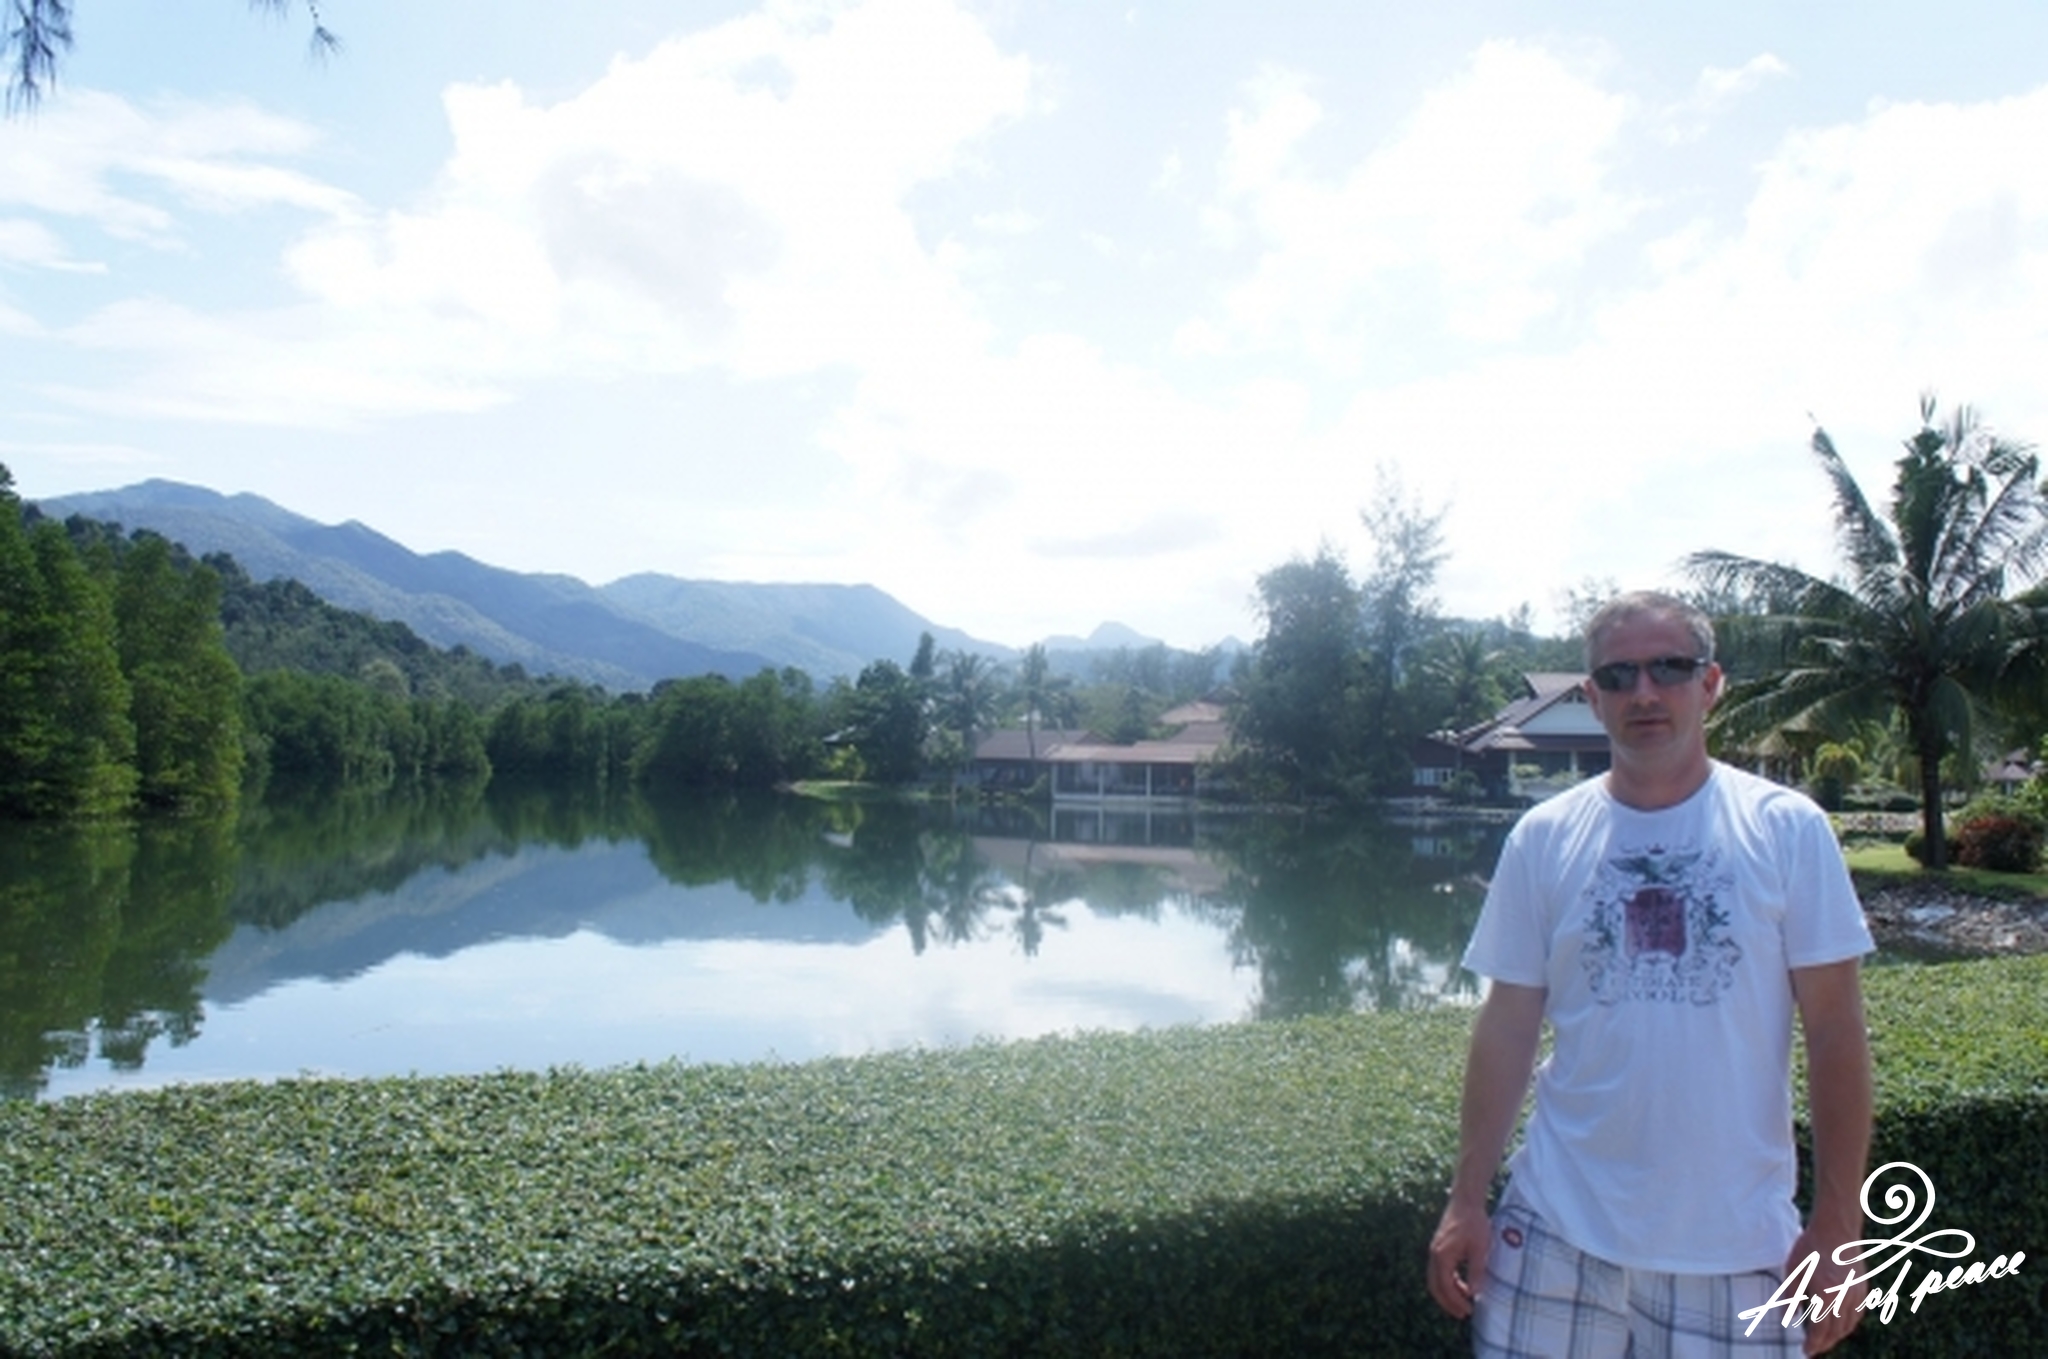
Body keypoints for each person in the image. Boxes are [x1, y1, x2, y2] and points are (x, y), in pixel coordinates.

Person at [1425, 590, 1875, 1357]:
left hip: (1734, 1248)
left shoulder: (1787, 830)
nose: (1644, 691)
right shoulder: (1543, 837)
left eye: (1669, 667)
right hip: (1554, 1234)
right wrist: (1466, 1197)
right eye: (1619, 674)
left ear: (1710, 683)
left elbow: (1835, 1031)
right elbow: (1507, 1025)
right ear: (1592, 695)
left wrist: (1839, 1224)